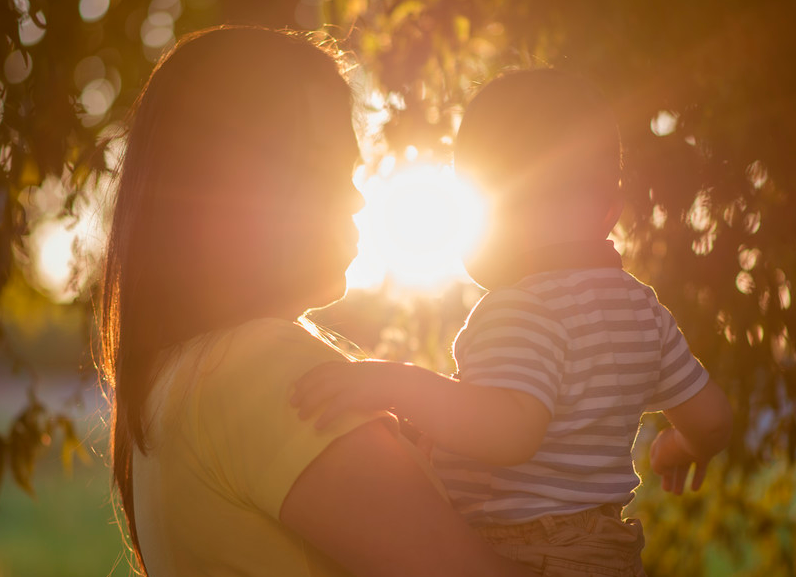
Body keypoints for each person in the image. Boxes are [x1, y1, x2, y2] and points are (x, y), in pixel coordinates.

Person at [99, 26, 540, 577]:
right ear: (243, 182)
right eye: (326, 164)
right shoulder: (257, 367)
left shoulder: (178, 378)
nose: (356, 196)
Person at [292, 69, 734, 576]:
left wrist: (392, 382)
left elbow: (507, 433)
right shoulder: (643, 311)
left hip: (524, 551)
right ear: (609, 211)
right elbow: (714, 419)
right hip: (607, 553)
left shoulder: (520, 307)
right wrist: (680, 445)